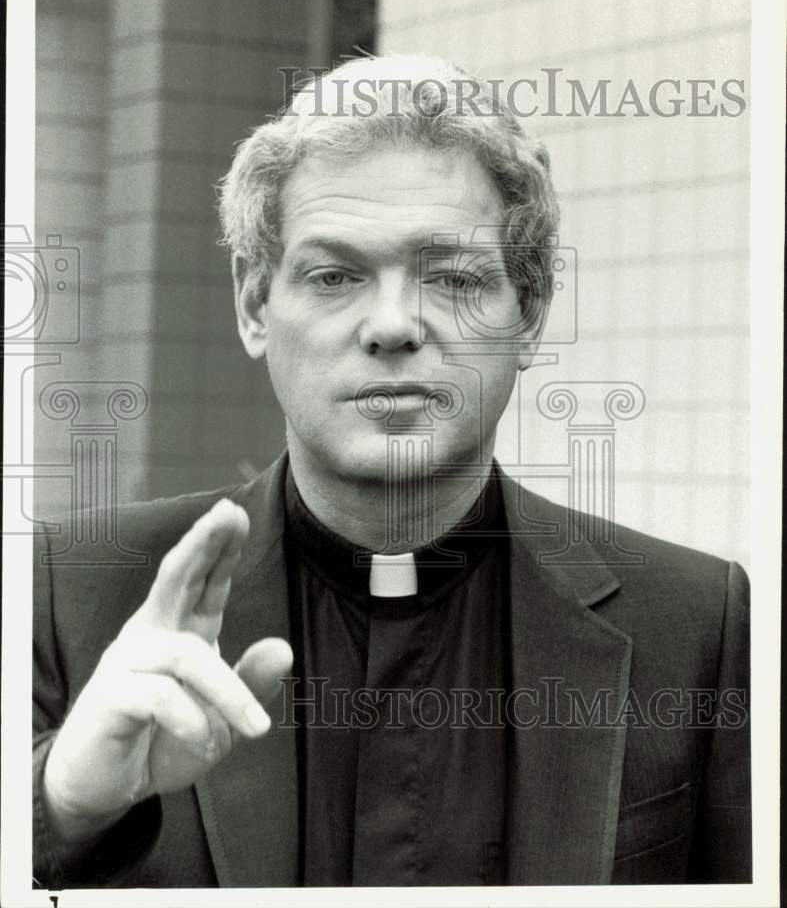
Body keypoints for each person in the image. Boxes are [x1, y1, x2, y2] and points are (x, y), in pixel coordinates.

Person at [33, 55, 751, 889]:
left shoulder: (699, 622)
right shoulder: (65, 589)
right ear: (253, 305)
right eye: (333, 276)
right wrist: (59, 805)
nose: (392, 325)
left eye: (451, 278)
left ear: (530, 314)